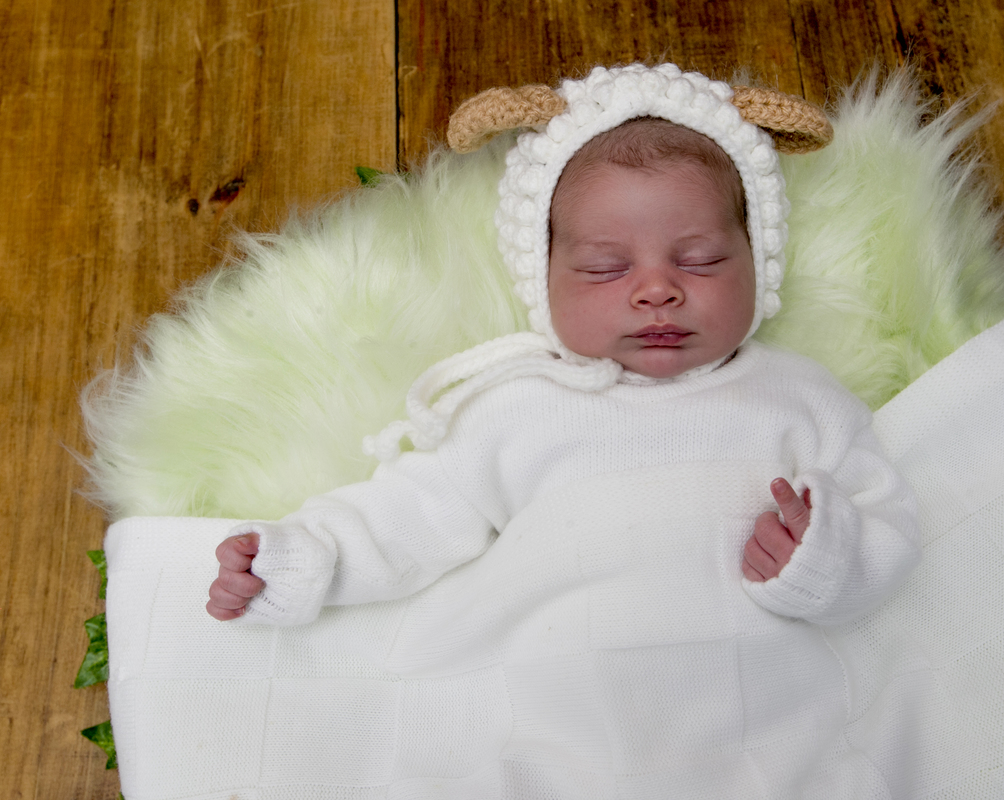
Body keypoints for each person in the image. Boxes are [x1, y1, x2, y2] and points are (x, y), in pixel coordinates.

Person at [204, 63, 919, 792]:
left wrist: (823, 557)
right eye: (606, 268)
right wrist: (303, 558)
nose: (657, 289)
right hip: (549, 728)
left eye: (701, 261)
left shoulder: (799, 399)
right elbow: (410, 513)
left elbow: (886, 522)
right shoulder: (517, 407)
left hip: (761, 734)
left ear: (758, 260)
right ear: (542, 279)